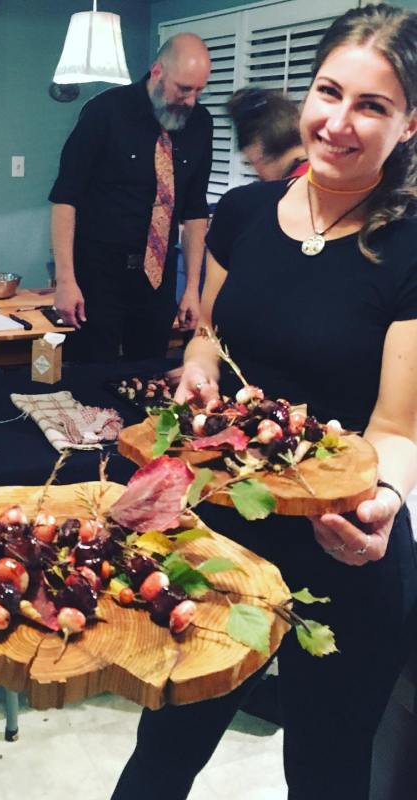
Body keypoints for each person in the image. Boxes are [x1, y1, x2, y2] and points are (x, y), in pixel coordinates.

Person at [111, 5, 417, 800]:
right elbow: (208, 331)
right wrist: (200, 366)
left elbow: (397, 426)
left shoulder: (412, 240)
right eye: (329, 91)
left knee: (326, 774)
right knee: (163, 751)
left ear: (410, 121)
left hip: (346, 543)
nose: (338, 122)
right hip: (223, 533)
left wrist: (380, 499)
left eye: (373, 105)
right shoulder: (246, 212)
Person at [49, 33, 213, 362]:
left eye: (198, 90)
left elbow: (195, 212)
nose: (191, 101)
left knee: (149, 379)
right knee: (93, 377)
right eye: (184, 88)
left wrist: (193, 289)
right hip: (97, 277)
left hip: (157, 281)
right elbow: (66, 198)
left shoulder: (201, 124)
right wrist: (65, 281)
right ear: (157, 72)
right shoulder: (105, 112)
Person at [227, 86, 308, 180]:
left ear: (256, 151)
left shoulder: (288, 190)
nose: (256, 172)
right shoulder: (319, 174)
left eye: (250, 163)